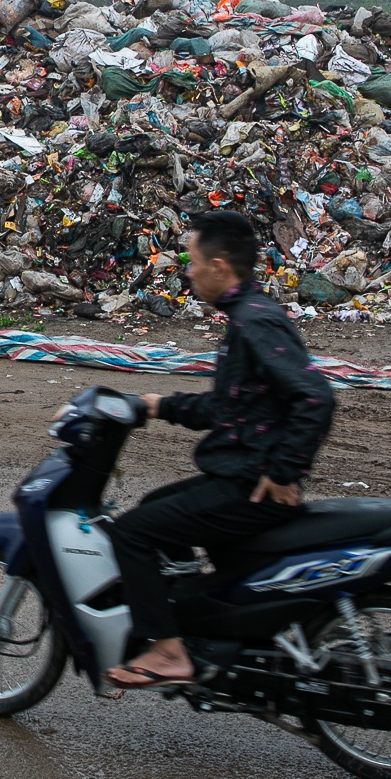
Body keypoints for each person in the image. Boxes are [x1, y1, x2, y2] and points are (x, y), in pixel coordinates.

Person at [102, 209, 335, 691]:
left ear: (219, 267)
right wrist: (155, 405)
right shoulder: (245, 317)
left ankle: (168, 651)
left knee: (131, 533)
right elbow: (227, 408)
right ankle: (206, 620)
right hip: (241, 471)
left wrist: (287, 469)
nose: (186, 272)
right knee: (155, 509)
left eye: (192, 261)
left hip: (249, 483)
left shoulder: (254, 323)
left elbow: (315, 395)